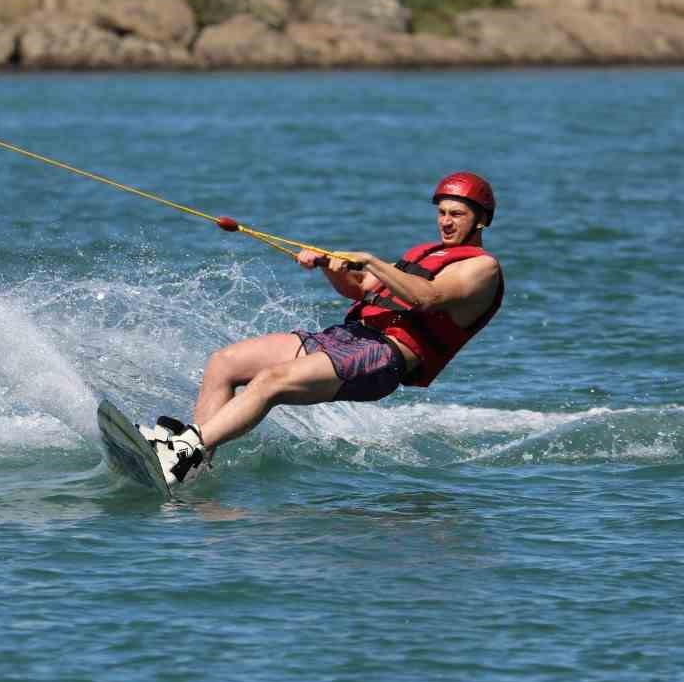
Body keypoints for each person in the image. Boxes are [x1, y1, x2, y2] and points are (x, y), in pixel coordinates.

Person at [142, 172, 505, 486]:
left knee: (270, 381)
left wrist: (370, 260)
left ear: (481, 220)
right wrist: (330, 266)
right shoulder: (424, 252)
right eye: (442, 212)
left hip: (383, 355)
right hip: (348, 338)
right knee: (225, 362)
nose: (446, 222)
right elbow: (360, 289)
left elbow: (427, 297)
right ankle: (192, 465)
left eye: (457, 214)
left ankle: (185, 451)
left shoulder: (481, 269)